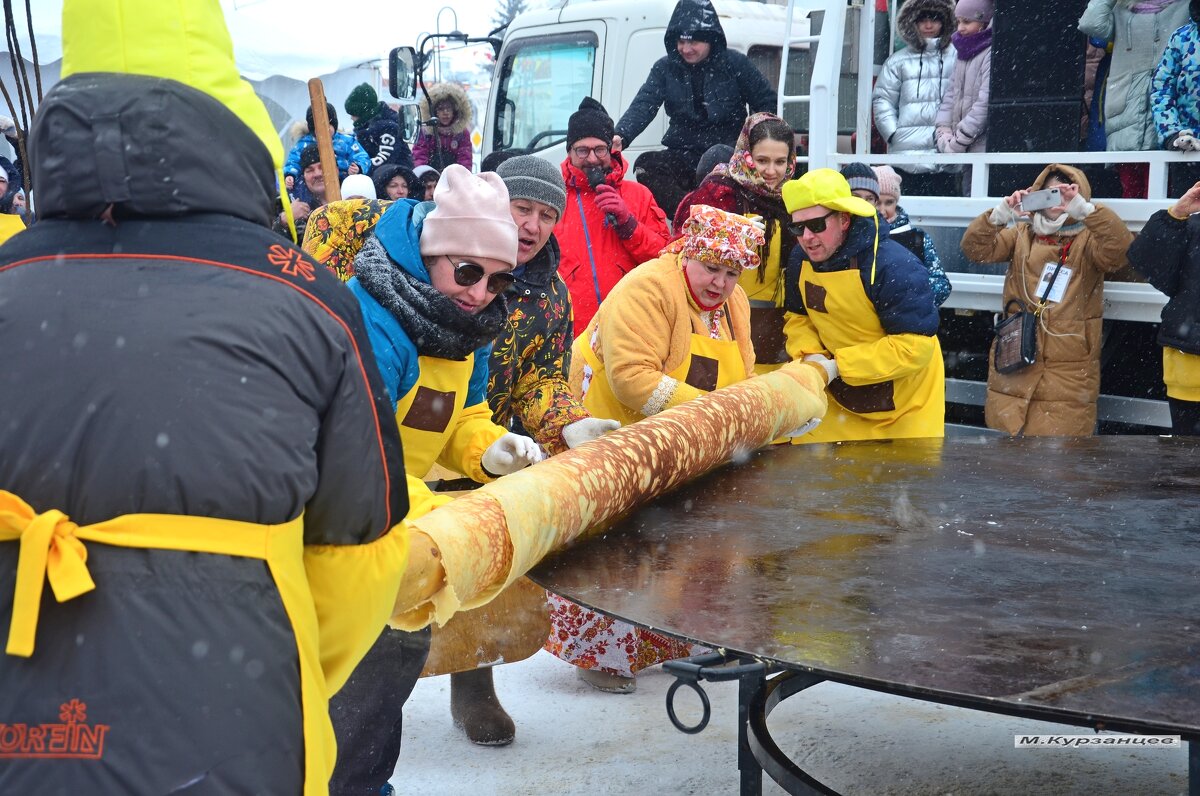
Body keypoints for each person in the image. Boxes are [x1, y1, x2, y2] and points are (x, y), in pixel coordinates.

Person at [0, 0, 415, 791]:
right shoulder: (312, 302)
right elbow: (360, 561)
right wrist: (256, 663)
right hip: (235, 734)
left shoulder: (7, 281)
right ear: (237, 126)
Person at [330, 164, 544, 795]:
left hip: (399, 511)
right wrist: (433, 513)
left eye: (498, 278)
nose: (481, 292)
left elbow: (463, 414)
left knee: (397, 646)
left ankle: (363, 780)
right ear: (430, 255)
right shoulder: (371, 320)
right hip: (342, 512)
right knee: (360, 660)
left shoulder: (462, 324)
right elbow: (358, 446)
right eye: (468, 272)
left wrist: (489, 450)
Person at [559, 205, 823, 692]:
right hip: (610, 423)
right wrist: (717, 419)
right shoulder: (648, 287)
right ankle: (600, 656)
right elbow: (632, 379)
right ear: (687, 253)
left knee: (682, 533)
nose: (719, 283)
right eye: (710, 269)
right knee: (618, 541)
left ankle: (679, 638)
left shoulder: (735, 303)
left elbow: (742, 377)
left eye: (731, 273)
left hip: (684, 433)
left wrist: (770, 411)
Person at [432, 155, 619, 748]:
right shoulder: (447, 264)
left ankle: (474, 684)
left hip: (493, 444)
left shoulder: (552, 295)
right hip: (417, 436)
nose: (534, 225)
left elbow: (542, 381)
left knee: (482, 571)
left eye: (546, 214)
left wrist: (569, 426)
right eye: (523, 208)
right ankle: (359, 691)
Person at [960, 164, 1133, 436]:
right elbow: (975, 250)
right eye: (1050, 193)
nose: (1057, 200)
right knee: (1008, 456)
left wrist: (1084, 211)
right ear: (1037, 195)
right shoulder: (1021, 233)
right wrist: (1001, 214)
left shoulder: (1089, 239)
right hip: (1016, 354)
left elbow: (1119, 252)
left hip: (1069, 366)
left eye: (1065, 193)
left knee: (1060, 461)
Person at [781, 168, 945, 442]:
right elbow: (798, 317)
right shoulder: (800, 260)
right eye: (798, 227)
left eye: (817, 225)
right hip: (839, 393)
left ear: (844, 219)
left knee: (900, 482)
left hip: (904, 404)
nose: (807, 237)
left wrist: (838, 366)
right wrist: (811, 356)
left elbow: (915, 348)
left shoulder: (894, 266)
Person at [612, 0, 777, 215]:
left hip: (727, 152)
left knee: (716, 157)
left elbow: (765, 103)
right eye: (681, 41)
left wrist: (760, 143)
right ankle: (690, 214)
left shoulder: (736, 64)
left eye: (693, 42)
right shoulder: (664, 68)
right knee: (647, 165)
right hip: (683, 152)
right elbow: (644, 104)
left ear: (711, 40)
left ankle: (717, 216)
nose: (686, 49)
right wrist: (621, 135)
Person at [673, 113, 798, 372]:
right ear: (745, 155)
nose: (771, 171)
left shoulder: (793, 199)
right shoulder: (719, 192)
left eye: (780, 162)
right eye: (762, 160)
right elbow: (681, 251)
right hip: (720, 325)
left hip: (778, 334)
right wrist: (734, 230)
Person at [558, 96, 671, 331]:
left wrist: (630, 226)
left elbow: (666, 262)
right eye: (582, 150)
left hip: (631, 328)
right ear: (569, 152)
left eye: (599, 149)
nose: (591, 158)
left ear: (611, 149)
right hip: (571, 333)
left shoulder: (639, 195)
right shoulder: (555, 200)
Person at [1079, 0, 1190, 197]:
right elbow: (1091, 23)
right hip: (1126, 110)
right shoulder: (1121, 9)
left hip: (1171, 115)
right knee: (1132, 193)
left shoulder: (1187, 8)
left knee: (1172, 196)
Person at [1126, 180, 1200, 435]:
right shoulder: (1190, 226)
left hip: (1189, 359)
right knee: (1187, 466)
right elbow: (1150, 265)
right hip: (1189, 368)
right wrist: (1176, 215)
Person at [872, 0, 959, 196]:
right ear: (912, 22)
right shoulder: (897, 61)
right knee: (907, 215)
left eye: (935, 19)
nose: (928, 26)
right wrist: (894, 134)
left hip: (947, 154)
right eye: (922, 20)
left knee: (945, 216)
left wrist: (958, 136)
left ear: (945, 21)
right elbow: (882, 100)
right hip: (906, 157)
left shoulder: (958, 57)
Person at [873, 164, 952, 306]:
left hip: (909, 323)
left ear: (896, 202)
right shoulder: (859, 237)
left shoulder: (918, 239)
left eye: (889, 202)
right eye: (877, 203)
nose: (882, 210)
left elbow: (942, 284)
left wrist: (909, 299)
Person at [1150, 1, 1200, 194]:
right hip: (1188, 152)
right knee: (1187, 219)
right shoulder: (1181, 38)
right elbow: (1161, 89)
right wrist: (1171, 133)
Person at [935, 0, 993, 157]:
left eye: (967, 21)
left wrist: (960, 138)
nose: (960, 28)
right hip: (964, 145)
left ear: (984, 21)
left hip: (981, 145)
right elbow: (951, 95)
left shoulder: (990, 53)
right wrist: (943, 130)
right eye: (958, 21)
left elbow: (985, 102)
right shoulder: (963, 51)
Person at [283, 101, 371, 190]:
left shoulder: (346, 141)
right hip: (314, 187)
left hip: (343, 184)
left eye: (328, 125)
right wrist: (290, 175)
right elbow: (293, 161)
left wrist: (358, 167)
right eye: (319, 127)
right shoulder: (303, 144)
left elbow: (361, 156)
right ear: (313, 129)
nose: (324, 130)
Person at [344, 81, 415, 172]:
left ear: (362, 113)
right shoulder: (368, 128)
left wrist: (361, 168)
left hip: (396, 179)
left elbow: (384, 159)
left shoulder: (389, 128)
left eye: (353, 114)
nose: (351, 118)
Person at [413, 83, 474, 171]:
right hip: (431, 180)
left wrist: (461, 177)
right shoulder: (426, 132)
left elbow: (465, 160)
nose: (445, 113)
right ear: (434, 111)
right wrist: (426, 177)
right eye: (441, 109)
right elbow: (419, 157)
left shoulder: (461, 134)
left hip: (454, 179)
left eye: (448, 108)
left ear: (454, 111)